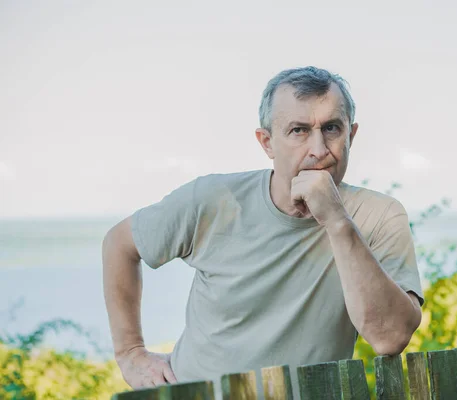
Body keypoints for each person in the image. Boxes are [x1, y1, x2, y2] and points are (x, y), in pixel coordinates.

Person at [102, 66, 424, 398]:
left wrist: (338, 221)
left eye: (331, 128)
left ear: (351, 135)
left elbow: (389, 337)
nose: (318, 149)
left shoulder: (379, 216)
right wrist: (130, 353)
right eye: (299, 130)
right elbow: (119, 244)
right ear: (267, 142)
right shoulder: (214, 200)